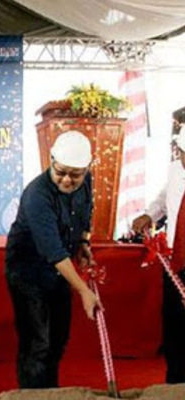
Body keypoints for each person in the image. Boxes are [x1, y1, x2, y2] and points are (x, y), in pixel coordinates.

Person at [5, 130, 103, 389]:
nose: (68, 180)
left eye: (76, 174)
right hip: (28, 270)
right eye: (61, 172)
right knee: (39, 342)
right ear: (50, 160)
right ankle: (33, 395)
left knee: (58, 339)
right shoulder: (37, 194)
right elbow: (53, 251)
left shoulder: (87, 180)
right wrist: (82, 290)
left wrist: (83, 242)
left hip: (60, 269)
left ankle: (49, 392)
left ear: (87, 168)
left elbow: (87, 209)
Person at [132, 129, 185, 384]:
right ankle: (174, 385)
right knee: (174, 329)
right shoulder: (175, 169)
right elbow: (165, 199)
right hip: (176, 262)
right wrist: (149, 215)